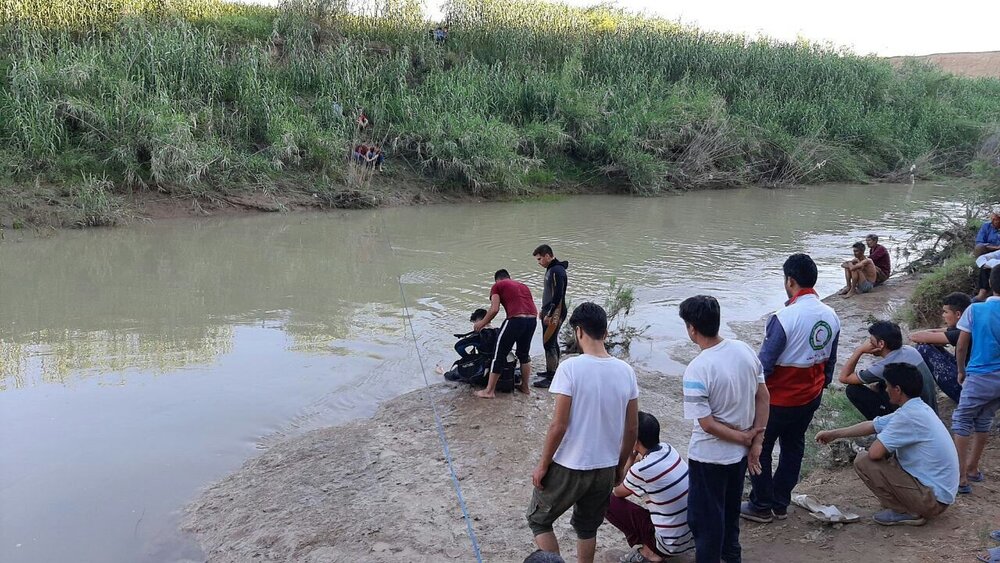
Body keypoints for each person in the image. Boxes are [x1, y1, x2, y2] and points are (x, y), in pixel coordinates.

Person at [527, 302, 639, 563]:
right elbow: (632, 428)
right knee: (587, 527)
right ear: (605, 333)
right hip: (605, 466)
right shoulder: (626, 371)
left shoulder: (570, 367)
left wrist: (543, 464)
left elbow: (559, 425)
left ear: (578, 331)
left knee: (538, 519)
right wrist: (620, 465)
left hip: (571, 464)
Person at [743, 253, 839, 524]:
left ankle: (761, 505)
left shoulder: (784, 317)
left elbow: (764, 366)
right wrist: (820, 387)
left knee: (760, 447)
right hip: (809, 397)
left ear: (790, 281)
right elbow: (830, 361)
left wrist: (749, 398)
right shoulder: (831, 315)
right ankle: (780, 502)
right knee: (793, 446)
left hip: (778, 399)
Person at [680, 295, 769, 563]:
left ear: (692, 328)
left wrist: (744, 437)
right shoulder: (744, 350)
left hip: (709, 458)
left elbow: (707, 424)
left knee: (705, 525)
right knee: (730, 518)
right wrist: (755, 441)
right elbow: (763, 396)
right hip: (738, 458)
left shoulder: (697, 369)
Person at [816, 363, 959, 526]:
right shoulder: (918, 408)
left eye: (887, 386)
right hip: (939, 496)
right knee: (889, 455)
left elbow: (874, 453)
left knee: (864, 461)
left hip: (931, 501)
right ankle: (909, 504)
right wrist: (834, 434)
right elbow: (872, 425)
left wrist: (885, 444)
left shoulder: (907, 417)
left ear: (897, 389)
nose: (885, 389)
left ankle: (906, 511)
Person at [605, 411, 694, 562]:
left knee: (605, 500)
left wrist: (630, 457)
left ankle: (649, 553)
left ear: (635, 440)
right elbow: (645, 460)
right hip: (689, 536)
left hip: (668, 545)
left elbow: (617, 490)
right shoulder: (668, 449)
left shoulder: (641, 470)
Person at [953, 266, 1000, 495]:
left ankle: (961, 477)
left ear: (990, 284)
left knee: (962, 420)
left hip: (980, 374)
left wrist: (960, 370)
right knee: (985, 419)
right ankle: (973, 468)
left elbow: (961, 346)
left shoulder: (975, 309)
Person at [838, 320, 938, 420]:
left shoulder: (885, 366)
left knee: (852, 390)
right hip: (929, 410)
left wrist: (859, 350)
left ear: (881, 344)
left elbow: (844, 377)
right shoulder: (910, 350)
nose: (868, 343)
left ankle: (883, 424)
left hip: (913, 418)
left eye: (871, 341)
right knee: (883, 383)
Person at [475, 269, 537, 398]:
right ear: (509, 277)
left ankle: (489, 391)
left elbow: (494, 309)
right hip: (532, 319)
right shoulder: (523, 286)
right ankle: (525, 387)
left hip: (515, 319)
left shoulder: (497, 285)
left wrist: (481, 323)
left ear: (497, 279)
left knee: (499, 354)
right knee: (524, 354)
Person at [910, 292, 972, 403]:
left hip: (969, 389)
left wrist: (933, 339)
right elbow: (933, 332)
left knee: (923, 348)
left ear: (958, 314)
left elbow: (915, 337)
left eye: (946, 312)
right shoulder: (968, 326)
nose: (943, 315)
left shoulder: (962, 333)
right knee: (930, 343)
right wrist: (935, 339)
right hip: (974, 378)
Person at [532, 244, 569, 389]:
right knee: (551, 341)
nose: (539, 262)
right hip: (549, 310)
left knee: (549, 343)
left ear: (547, 256)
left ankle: (551, 377)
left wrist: (550, 313)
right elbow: (548, 293)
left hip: (556, 311)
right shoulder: (551, 269)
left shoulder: (557, 271)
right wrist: (543, 310)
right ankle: (553, 371)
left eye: (539, 259)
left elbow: (558, 294)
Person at [973, 212, 1000, 301]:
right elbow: (979, 242)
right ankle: (983, 292)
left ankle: (985, 293)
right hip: (991, 249)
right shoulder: (986, 226)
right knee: (984, 263)